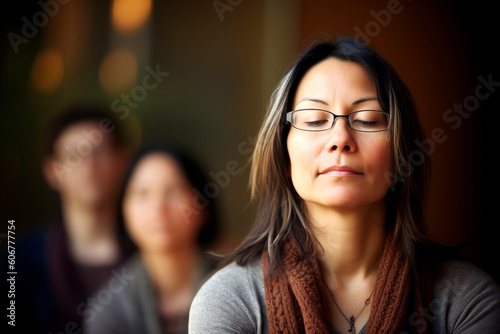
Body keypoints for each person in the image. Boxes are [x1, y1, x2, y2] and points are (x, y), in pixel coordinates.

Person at [188, 37, 500, 333]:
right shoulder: (231, 300)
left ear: (403, 154)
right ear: (284, 156)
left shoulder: (466, 299)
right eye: (314, 120)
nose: (340, 139)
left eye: (366, 119)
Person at [8, 105, 132, 333]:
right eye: (74, 155)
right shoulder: (15, 263)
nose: (89, 166)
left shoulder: (150, 254)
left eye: (99, 152)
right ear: (52, 171)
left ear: (122, 161)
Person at [84, 144, 218, 334]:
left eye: (173, 190)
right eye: (143, 193)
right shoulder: (109, 312)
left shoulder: (241, 292)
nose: (158, 207)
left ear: (203, 204)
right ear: (124, 212)